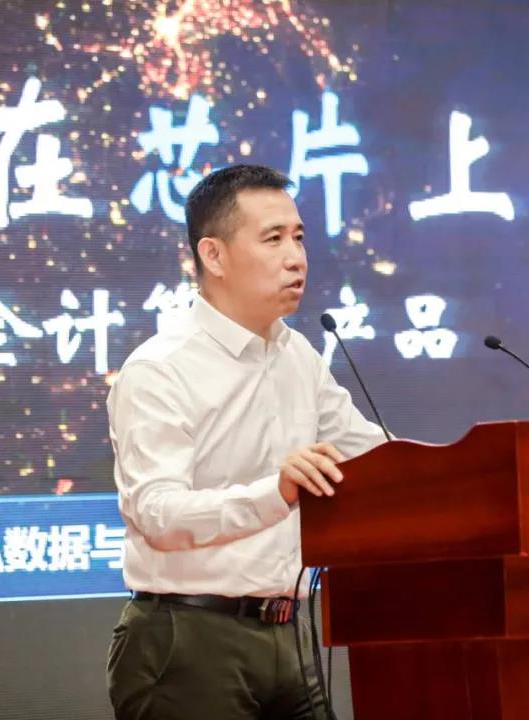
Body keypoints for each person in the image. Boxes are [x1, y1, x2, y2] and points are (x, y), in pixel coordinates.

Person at [105, 164, 389, 720]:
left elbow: (375, 456)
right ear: (213, 255)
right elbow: (156, 513)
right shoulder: (160, 368)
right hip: (188, 640)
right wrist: (275, 492)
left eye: (299, 237)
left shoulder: (298, 355)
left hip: (290, 636)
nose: (296, 257)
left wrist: (499, 465)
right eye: (273, 239)